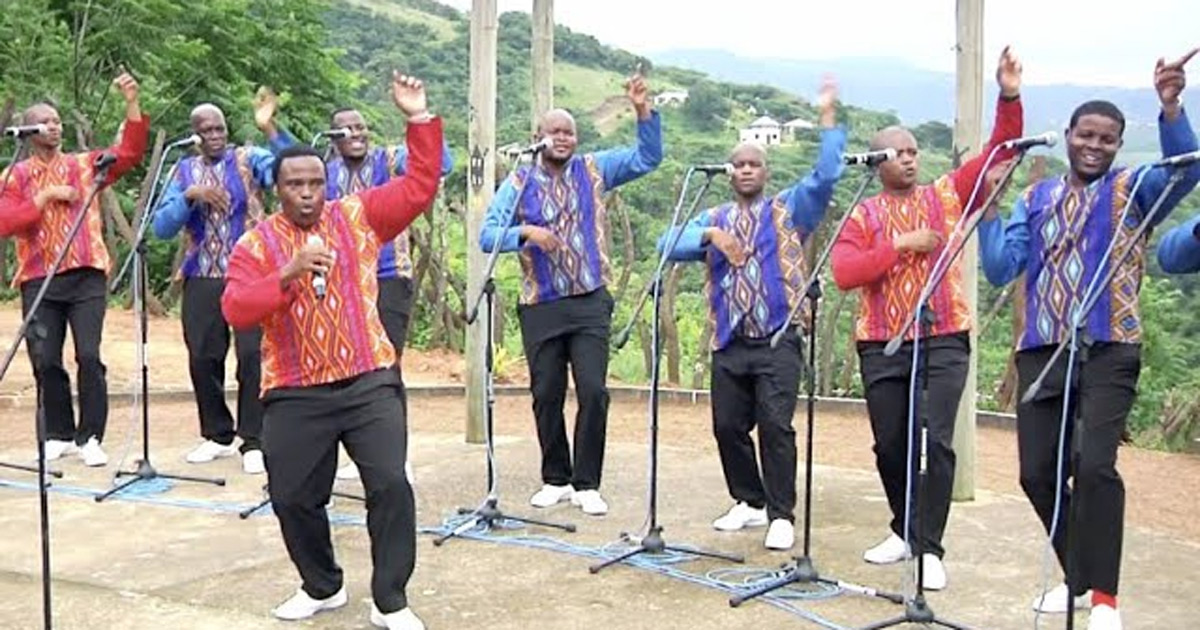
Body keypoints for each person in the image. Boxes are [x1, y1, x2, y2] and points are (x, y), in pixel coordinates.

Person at [979, 48, 1199, 630]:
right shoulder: (1037, 197)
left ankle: (1104, 597)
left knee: (1096, 468)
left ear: (1118, 145)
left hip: (1111, 347)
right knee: (1036, 473)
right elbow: (1003, 268)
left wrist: (1171, 106)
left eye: (1107, 138)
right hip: (1043, 350)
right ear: (1070, 136)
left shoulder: (1135, 189)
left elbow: (1187, 167)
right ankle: (1074, 572)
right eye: (1086, 135)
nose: (1094, 145)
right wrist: (989, 212)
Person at [220, 72, 441, 630]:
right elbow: (237, 309)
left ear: (327, 184)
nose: (307, 192)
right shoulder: (255, 244)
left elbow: (419, 186)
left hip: (368, 381)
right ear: (279, 188)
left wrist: (416, 118)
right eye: (295, 184)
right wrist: (287, 274)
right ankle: (322, 586)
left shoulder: (358, 217)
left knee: (390, 484)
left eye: (316, 182)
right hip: (296, 392)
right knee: (292, 496)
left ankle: (391, 598)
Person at [830, 46, 1025, 591]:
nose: (911, 158)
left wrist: (1008, 95)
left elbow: (997, 153)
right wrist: (901, 244)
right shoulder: (863, 215)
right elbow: (846, 271)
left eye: (914, 150)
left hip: (943, 338)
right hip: (882, 344)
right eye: (898, 152)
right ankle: (903, 529)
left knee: (936, 439)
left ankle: (929, 546)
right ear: (876, 163)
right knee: (890, 444)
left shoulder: (945, 194)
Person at [656, 78, 844, 551]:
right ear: (727, 171)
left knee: (776, 425)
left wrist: (827, 121)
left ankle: (782, 513)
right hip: (730, 342)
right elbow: (665, 244)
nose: (745, 170)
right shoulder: (713, 217)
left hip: (778, 339)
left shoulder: (788, 209)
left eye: (753, 164)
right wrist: (708, 239)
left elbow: (825, 176)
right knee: (727, 426)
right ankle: (750, 501)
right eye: (738, 164)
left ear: (765, 169)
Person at [478, 70, 663, 516]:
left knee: (594, 390)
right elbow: (488, 235)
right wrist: (527, 233)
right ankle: (555, 478)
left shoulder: (596, 170)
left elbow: (647, 158)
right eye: (554, 132)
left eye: (569, 132)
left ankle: (587, 482)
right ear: (537, 138)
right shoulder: (519, 182)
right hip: (541, 304)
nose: (562, 138)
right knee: (546, 393)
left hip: (589, 300)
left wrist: (642, 111)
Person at [255, 94, 455, 481]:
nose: (356, 133)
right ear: (333, 136)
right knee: (340, 360)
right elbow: (291, 160)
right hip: (336, 279)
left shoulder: (388, 159)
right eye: (346, 128)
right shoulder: (324, 171)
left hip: (387, 273)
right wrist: (269, 127)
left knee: (383, 366)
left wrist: (420, 118)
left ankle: (392, 451)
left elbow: (438, 167)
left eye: (361, 126)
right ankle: (343, 444)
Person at [0, 72, 149, 467]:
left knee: (88, 354)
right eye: (46, 121)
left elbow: (130, 152)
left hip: (86, 276)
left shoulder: (85, 165)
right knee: (45, 358)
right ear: (30, 130)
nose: (55, 125)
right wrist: (45, 196)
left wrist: (131, 102)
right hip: (39, 278)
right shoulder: (15, 175)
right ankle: (58, 433)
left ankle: (91, 436)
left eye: (58, 120)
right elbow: (5, 222)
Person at [152, 102, 275, 474]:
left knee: (252, 355)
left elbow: (284, 170)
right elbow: (161, 228)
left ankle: (253, 439)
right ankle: (217, 434)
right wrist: (191, 196)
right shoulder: (182, 171)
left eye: (220, 128)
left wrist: (271, 131)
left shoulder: (248, 159)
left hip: (249, 273)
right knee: (203, 355)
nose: (216, 135)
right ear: (195, 137)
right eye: (207, 130)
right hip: (202, 274)